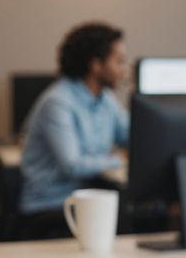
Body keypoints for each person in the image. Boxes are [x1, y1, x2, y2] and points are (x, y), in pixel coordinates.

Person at [20, 22, 129, 215]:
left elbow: (129, 134)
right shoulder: (58, 102)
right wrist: (118, 159)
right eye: (119, 62)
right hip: (51, 206)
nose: (124, 70)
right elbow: (74, 165)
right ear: (96, 65)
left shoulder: (105, 100)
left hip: (87, 200)